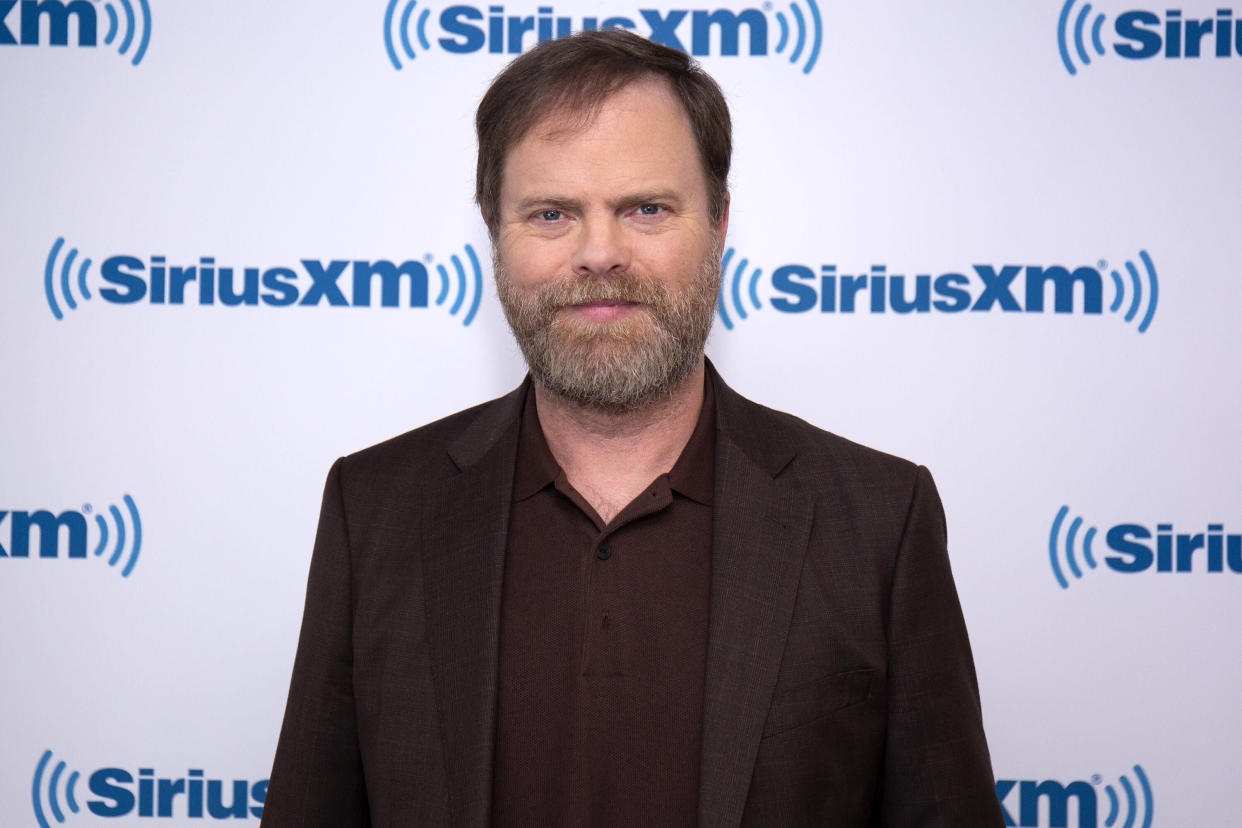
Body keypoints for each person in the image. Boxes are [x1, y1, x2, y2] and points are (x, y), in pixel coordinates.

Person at [262, 30, 1003, 827]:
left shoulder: (880, 523)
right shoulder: (373, 511)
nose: (600, 253)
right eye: (551, 213)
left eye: (646, 208)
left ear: (719, 223)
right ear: (493, 233)